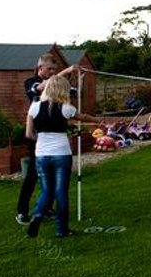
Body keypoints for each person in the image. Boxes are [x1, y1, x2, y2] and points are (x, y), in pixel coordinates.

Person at [25, 76, 102, 238]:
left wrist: (41, 140)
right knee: (61, 191)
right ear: (62, 90)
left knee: (47, 189)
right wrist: (98, 120)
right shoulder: (66, 108)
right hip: (61, 153)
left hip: (42, 154)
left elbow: (29, 134)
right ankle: (62, 229)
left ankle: (38, 214)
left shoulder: (34, 107)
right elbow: (84, 117)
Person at [15, 54, 79, 225]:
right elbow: (43, 87)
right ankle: (22, 211)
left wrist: (72, 82)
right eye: (49, 69)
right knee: (32, 175)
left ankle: (47, 208)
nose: (52, 72)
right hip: (38, 136)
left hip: (52, 136)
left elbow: (71, 92)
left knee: (50, 176)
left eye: (54, 70)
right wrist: (66, 71)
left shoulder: (55, 82)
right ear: (40, 67)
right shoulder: (31, 82)